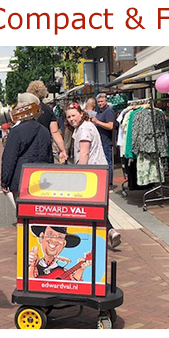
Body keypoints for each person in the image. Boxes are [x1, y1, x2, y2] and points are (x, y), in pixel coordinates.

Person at [65, 104, 121, 248]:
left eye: (73, 115)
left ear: (81, 114)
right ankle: (109, 232)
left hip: (91, 172)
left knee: (89, 207)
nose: (71, 119)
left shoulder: (84, 130)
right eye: (68, 117)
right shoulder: (88, 126)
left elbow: (84, 152)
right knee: (97, 206)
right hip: (99, 170)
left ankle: (94, 236)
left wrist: (80, 175)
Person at [0, 93, 54, 203]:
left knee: (22, 214)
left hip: (21, 180)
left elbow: (9, 158)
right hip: (41, 179)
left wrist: (4, 182)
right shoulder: (44, 131)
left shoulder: (16, 131)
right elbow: (49, 157)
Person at [27, 80, 67, 163]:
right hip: (44, 146)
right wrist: (62, 150)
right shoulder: (48, 110)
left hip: (28, 146)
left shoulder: (25, 110)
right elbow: (55, 132)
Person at [90, 93, 115, 189]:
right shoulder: (99, 112)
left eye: (102, 101)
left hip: (106, 140)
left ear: (106, 101)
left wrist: (97, 122)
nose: (100, 103)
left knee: (108, 161)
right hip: (100, 141)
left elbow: (110, 126)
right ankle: (105, 182)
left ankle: (109, 183)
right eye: (99, 102)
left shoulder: (108, 111)